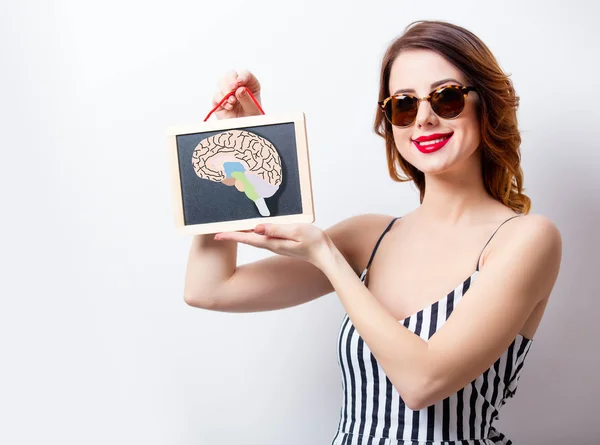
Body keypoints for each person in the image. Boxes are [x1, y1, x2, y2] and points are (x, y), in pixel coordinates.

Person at [183, 20, 562, 445]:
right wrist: (233, 141)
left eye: (447, 97)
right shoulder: (370, 236)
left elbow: (423, 382)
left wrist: (327, 258)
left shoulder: (526, 239)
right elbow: (209, 289)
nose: (424, 118)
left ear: (485, 105)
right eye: (403, 104)